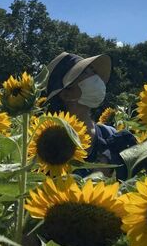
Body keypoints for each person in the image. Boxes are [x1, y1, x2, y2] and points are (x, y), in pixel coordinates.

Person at [44, 51, 137, 180]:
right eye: (86, 72)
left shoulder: (111, 136)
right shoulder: (45, 146)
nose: (96, 77)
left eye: (94, 71)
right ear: (66, 94)